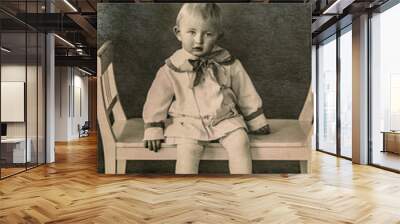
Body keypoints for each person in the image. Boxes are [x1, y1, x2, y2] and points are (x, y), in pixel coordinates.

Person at [143, 3, 270, 174]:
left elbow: (245, 92)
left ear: (218, 35)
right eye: (192, 32)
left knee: (240, 141)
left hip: (224, 119)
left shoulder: (228, 63)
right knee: (187, 151)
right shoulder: (172, 67)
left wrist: (256, 121)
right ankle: (185, 193)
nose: (199, 40)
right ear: (178, 33)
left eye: (208, 34)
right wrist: (153, 128)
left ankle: (243, 185)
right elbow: (156, 99)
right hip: (187, 122)